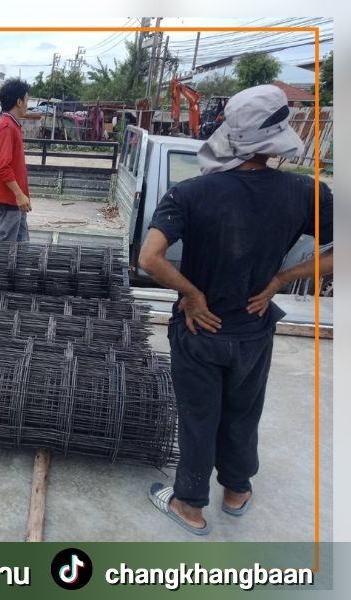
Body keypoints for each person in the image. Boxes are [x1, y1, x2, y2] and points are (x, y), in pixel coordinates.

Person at [139, 85, 333, 536]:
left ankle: (189, 504)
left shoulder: (191, 193)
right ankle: (236, 490)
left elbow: (149, 258)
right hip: (254, 328)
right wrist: (281, 279)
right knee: (243, 411)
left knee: (199, 416)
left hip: (199, 329)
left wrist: (192, 294)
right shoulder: (304, 192)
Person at [0, 78, 32, 241]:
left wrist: (21, 196)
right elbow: (3, 166)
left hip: (16, 199)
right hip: (9, 198)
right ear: (19, 102)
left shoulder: (12, 125)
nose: (27, 104)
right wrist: (19, 194)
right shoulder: (7, 127)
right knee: (6, 247)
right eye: (26, 100)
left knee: (21, 244)